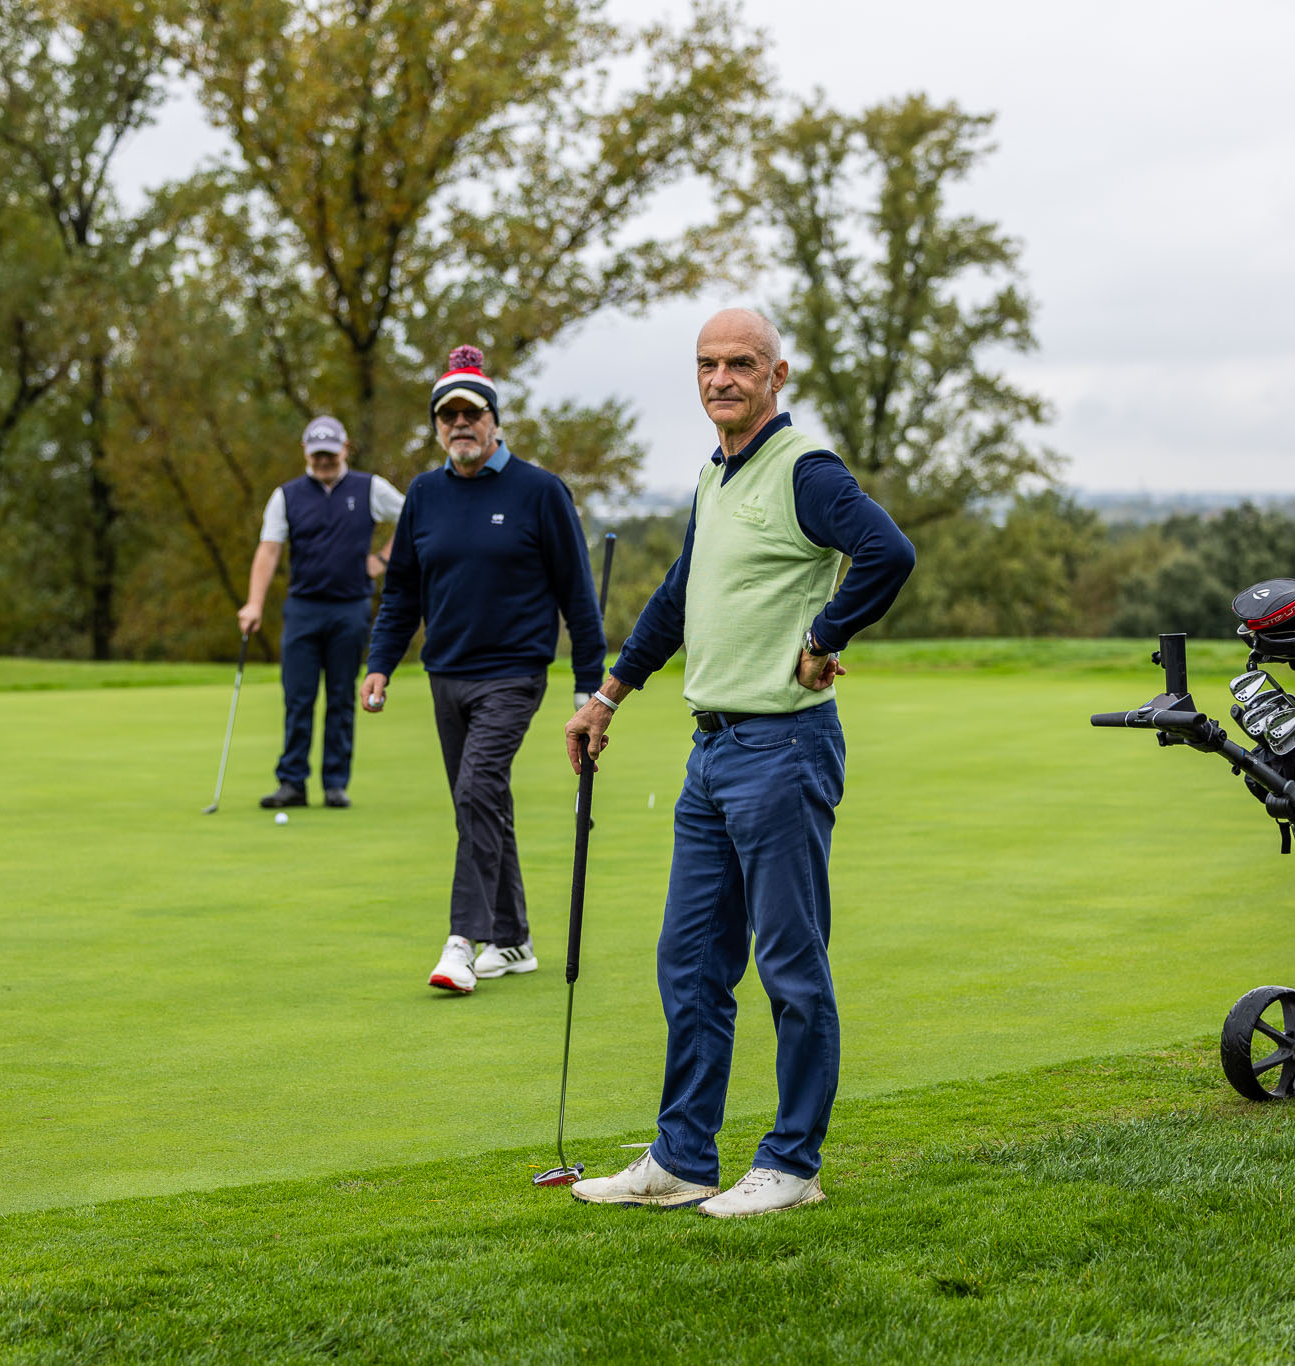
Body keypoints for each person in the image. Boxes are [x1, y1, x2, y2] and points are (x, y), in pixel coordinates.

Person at [562, 308, 915, 1218]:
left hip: (783, 747)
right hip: (711, 751)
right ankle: (683, 1158)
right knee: (689, 963)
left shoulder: (805, 470)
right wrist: (609, 696)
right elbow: (679, 595)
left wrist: (825, 636)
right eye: (707, 364)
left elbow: (888, 552)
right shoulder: (714, 477)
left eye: (741, 364)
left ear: (776, 375)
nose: (721, 379)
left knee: (792, 967)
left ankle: (792, 1164)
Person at [363, 346, 606, 995]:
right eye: (449, 415)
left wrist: (590, 686)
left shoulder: (539, 491)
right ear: (438, 426)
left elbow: (577, 593)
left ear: (494, 419)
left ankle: (462, 942)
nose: (460, 424)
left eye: (472, 412)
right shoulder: (424, 494)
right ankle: (514, 939)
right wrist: (380, 663)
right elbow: (402, 592)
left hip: (513, 675)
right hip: (446, 674)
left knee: (476, 790)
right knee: (482, 801)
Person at [238, 415, 402, 810]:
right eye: (317, 455)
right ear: (305, 453)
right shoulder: (287, 495)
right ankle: (292, 782)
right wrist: (254, 602)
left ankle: (335, 784)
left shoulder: (370, 488)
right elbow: (269, 550)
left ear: (345, 449)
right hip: (303, 608)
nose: (324, 461)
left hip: (351, 607)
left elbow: (413, 518)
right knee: (298, 697)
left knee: (342, 697)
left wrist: (382, 559)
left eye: (330, 453)